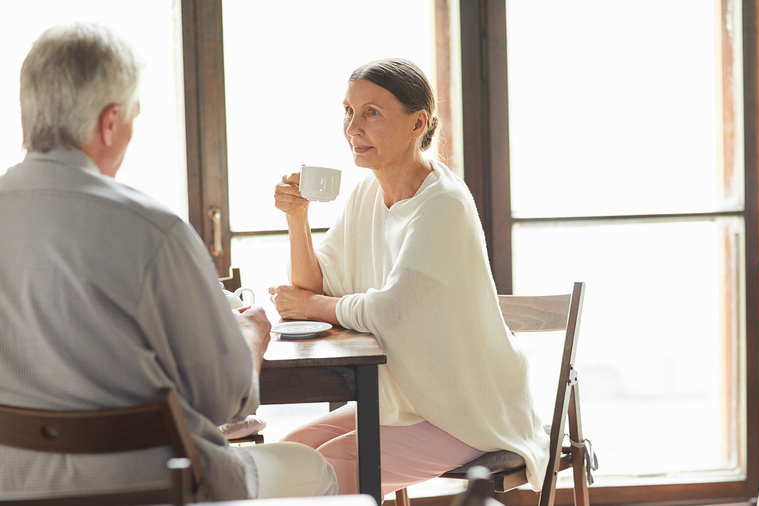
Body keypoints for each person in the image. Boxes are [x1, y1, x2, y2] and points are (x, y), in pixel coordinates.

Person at [0, 23, 336, 501]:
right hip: (155, 486)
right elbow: (223, 398)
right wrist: (249, 334)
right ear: (110, 122)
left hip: (13, 486)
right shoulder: (151, 230)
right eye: (134, 116)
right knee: (312, 468)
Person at [269, 58, 550, 496]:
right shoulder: (367, 192)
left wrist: (311, 308)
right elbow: (313, 285)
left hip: (463, 408)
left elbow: (390, 310)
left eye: (371, 113)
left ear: (417, 122)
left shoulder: (444, 204)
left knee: (318, 472)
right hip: (404, 400)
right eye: (348, 111)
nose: (352, 127)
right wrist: (298, 218)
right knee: (291, 451)